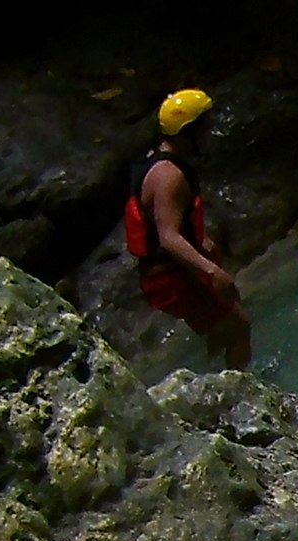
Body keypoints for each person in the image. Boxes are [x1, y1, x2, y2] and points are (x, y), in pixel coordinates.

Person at [124, 89, 251, 369]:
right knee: (239, 327)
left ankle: (212, 375)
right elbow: (168, 237)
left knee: (223, 326)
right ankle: (237, 401)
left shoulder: (156, 160)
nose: (208, 134)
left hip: (171, 273)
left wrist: (202, 243)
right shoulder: (170, 176)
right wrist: (212, 271)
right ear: (187, 132)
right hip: (172, 278)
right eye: (203, 128)